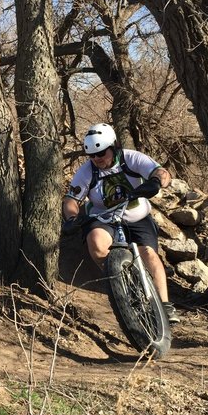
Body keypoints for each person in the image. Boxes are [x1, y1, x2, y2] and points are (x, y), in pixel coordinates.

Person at [61, 123, 180, 324]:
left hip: (137, 218)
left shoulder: (130, 158)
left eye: (101, 152)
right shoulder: (87, 171)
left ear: (113, 146)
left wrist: (156, 182)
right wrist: (71, 218)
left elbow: (161, 172)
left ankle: (165, 305)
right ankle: (121, 287)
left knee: (149, 255)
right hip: (105, 218)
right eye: (92, 155)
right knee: (97, 243)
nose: (97, 158)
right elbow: (71, 200)